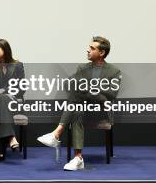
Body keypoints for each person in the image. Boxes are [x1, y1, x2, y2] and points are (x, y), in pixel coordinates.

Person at [37, 36, 121, 171]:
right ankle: (78, 158)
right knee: (77, 110)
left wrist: (91, 90)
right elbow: (70, 85)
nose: (87, 50)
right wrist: (97, 93)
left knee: (77, 96)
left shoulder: (114, 71)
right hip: (83, 107)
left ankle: (57, 133)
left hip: (100, 111)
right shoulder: (82, 68)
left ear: (102, 53)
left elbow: (112, 94)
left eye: (92, 48)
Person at [0, 39, 25, 162]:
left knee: (0, 106)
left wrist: (2, 91)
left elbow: (21, 87)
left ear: (5, 49)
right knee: (0, 101)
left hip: (13, 102)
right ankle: (11, 137)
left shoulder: (18, 65)